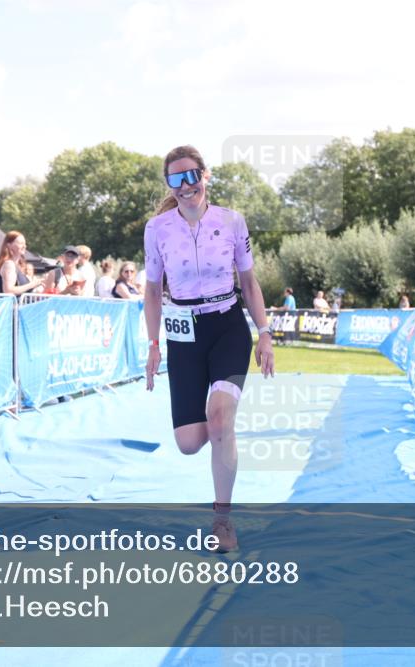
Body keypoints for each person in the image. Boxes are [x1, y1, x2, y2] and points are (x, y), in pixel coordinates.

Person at [143, 145, 275, 553]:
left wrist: (265, 331)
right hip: (183, 333)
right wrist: (152, 344)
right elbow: (151, 290)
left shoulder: (233, 221)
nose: (185, 186)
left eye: (191, 176)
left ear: (206, 175)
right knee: (189, 442)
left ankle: (223, 521)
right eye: (175, 179)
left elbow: (250, 283)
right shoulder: (157, 229)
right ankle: (220, 425)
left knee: (219, 422)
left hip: (228, 326)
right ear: (169, 184)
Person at [0, 230, 44, 296]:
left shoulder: (17, 266)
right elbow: (8, 290)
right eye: (20, 243)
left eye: (25, 243)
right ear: (9, 245)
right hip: (10, 306)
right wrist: (31, 284)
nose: (24, 246)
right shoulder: (9, 265)